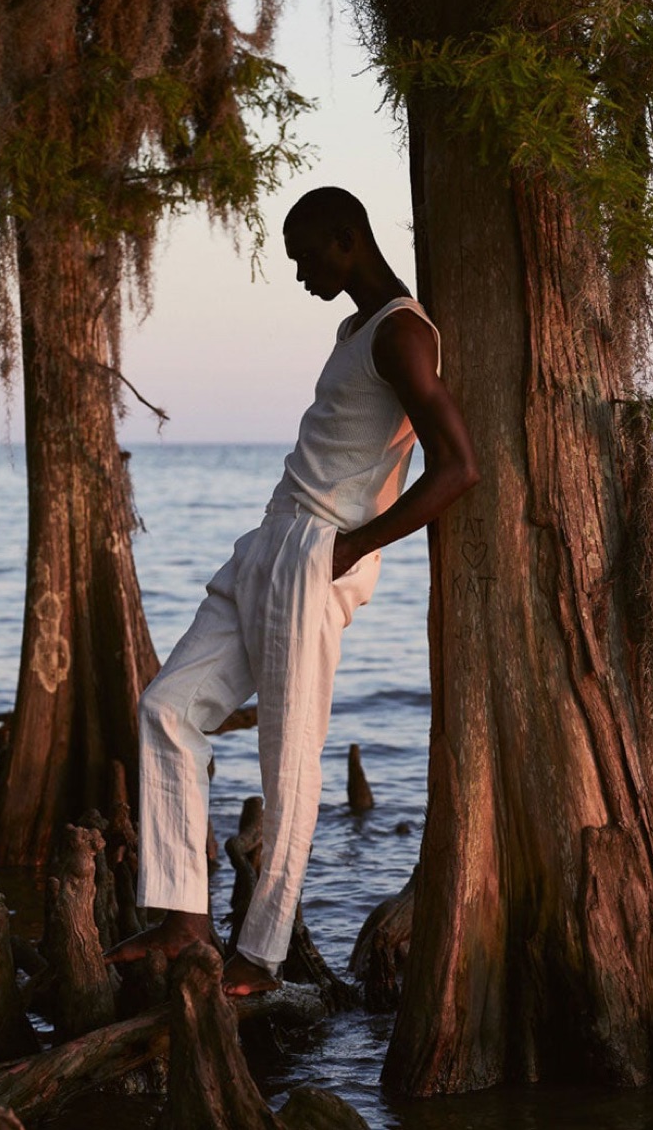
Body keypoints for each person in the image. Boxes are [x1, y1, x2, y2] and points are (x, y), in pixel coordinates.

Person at [105, 186, 479, 994]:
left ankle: (262, 955)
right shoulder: (356, 329)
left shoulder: (403, 333)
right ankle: (184, 918)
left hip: (315, 549)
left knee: (289, 758)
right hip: (270, 539)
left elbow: (458, 467)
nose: (299, 273)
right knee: (167, 707)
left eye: (305, 255)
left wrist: (351, 547)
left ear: (347, 238)